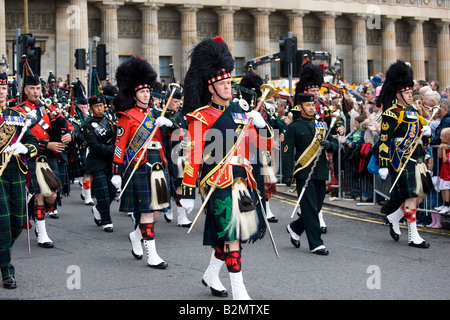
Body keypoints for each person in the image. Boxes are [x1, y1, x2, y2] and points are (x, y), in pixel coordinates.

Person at [179, 36, 273, 300]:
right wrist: (187, 190)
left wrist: (261, 124)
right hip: (217, 182)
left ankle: (211, 274)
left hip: (242, 180)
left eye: (228, 82)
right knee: (231, 234)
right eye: (222, 84)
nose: (228, 87)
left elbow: (263, 145)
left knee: (236, 234)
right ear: (211, 88)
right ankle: (239, 291)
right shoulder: (200, 117)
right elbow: (193, 154)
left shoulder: (241, 113)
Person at [111, 56, 175, 268]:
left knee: (158, 210)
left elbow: (178, 137)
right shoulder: (127, 117)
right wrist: (116, 172)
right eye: (142, 91)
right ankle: (152, 256)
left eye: (148, 91)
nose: (146, 94)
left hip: (158, 163)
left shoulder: (157, 115)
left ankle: (136, 236)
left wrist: (171, 125)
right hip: (138, 164)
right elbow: (120, 146)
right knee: (147, 211)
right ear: (135, 94)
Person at [12, 74, 74, 248]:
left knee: (52, 195)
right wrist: (47, 145)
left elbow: (67, 124)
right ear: (25, 91)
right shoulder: (18, 111)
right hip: (32, 156)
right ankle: (42, 231)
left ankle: (39, 218)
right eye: (32, 88)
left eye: (38, 88)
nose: (35, 92)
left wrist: (69, 134)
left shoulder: (49, 107)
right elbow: (20, 138)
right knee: (39, 193)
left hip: (50, 157)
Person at [377, 60, 431, 248]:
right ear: (398, 94)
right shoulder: (391, 114)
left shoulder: (414, 112)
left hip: (417, 158)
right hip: (402, 160)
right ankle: (414, 236)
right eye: (407, 92)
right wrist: (383, 164)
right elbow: (384, 140)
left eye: (411, 92)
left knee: (421, 194)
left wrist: (427, 132)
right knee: (411, 196)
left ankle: (394, 217)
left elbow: (423, 131)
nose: (410, 95)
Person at [282, 91, 338, 255]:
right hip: (304, 172)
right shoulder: (294, 127)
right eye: (308, 105)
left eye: (313, 105)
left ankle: (295, 228)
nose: (312, 108)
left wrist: (329, 145)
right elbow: (287, 152)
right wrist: (287, 174)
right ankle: (316, 243)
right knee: (309, 207)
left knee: (316, 207)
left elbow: (334, 143)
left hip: (320, 171)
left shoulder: (322, 125)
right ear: (300, 107)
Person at [0, 72, 38, 289]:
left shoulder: (16, 115)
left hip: (15, 172)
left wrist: (24, 148)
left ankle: (2, 252)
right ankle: (6, 268)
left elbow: (33, 140)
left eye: (3, 88)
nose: (0, 92)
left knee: (17, 221)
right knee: (3, 223)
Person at [83, 95, 117, 232]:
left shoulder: (110, 121)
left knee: (113, 191)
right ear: (91, 109)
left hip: (110, 161)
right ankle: (106, 220)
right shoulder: (88, 125)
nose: (100, 109)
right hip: (96, 162)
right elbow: (95, 146)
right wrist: (113, 150)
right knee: (102, 192)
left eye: (101, 106)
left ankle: (98, 208)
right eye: (97, 107)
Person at [163, 88, 192, 228]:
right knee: (168, 184)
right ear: (168, 101)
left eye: (179, 101)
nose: (178, 104)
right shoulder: (163, 115)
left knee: (180, 183)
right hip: (165, 153)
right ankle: (168, 205)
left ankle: (181, 216)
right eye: (175, 101)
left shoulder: (182, 116)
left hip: (180, 153)